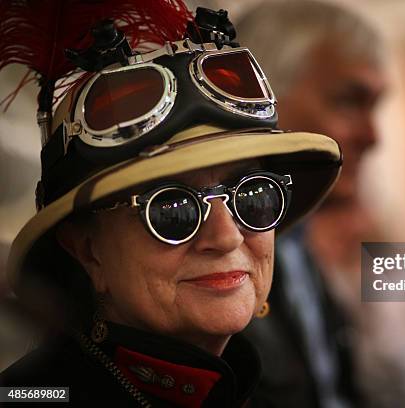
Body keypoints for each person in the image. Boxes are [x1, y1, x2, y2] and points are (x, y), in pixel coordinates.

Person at [0, 3, 341, 407]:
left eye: (254, 196)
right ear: (88, 250)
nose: (227, 236)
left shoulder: (249, 385)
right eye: (172, 210)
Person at [236, 2, 385, 407]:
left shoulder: (293, 237)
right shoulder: (217, 257)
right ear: (259, 98)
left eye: (376, 105)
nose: (374, 136)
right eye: (349, 101)